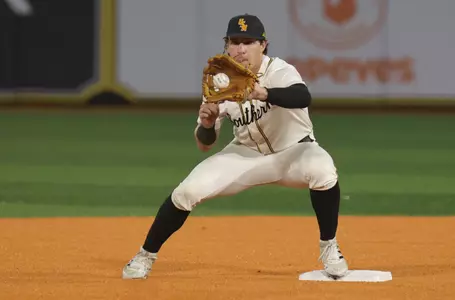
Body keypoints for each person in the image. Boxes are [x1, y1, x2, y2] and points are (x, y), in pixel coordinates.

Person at [122, 13, 349, 280]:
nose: (240, 49)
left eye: (248, 42)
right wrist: (207, 124)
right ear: (226, 45)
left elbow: (302, 96)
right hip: (245, 154)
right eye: (235, 42)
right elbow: (205, 144)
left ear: (263, 45)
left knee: (323, 170)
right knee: (187, 191)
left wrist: (262, 92)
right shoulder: (220, 83)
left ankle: (329, 247)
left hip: (294, 151)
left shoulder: (278, 70)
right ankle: (144, 256)